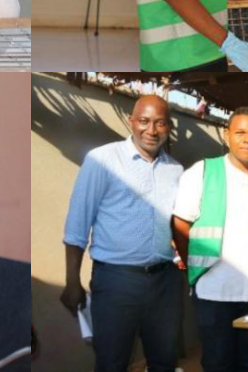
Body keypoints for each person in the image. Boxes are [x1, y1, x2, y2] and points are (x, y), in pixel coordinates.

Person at [61, 95, 186, 372]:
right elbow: (77, 225)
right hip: (116, 282)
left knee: (165, 362)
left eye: (160, 123)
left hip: (164, 282)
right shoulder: (102, 160)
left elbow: (179, 225)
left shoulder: (175, 170)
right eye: (144, 121)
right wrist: (72, 281)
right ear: (131, 121)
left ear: (169, 127)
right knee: (111, 363)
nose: (151, 130)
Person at [172, 107, 248, 372]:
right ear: (227, 135)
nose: (247, 140)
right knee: (218, 363)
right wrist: (195, 269)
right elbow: (180, 223)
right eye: (240, 133)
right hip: (215, 290)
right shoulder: (203, 171)